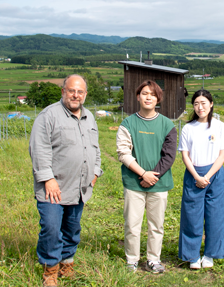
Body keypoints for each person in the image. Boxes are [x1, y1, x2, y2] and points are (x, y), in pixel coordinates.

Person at [29, 74, 102, 287]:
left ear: (85, 95)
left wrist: (95, 173)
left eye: (80, 92)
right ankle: (50, 270)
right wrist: (48, 179)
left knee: (72, 228)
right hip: (53, 188)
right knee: (51, 228)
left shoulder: (89, 117)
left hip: (80, 187)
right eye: (71, 91)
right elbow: (39, 149)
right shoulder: (48, 116)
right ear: (63, 91)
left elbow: (95, 148)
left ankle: (67, 262)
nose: (75, 95)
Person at [116, 80, 177, 274]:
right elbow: (123, 153)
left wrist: (153, 177)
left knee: (156, 225)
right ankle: (131, 260)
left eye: (152, 94)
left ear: (158, 98)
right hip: (134, 183)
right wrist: (143, 174)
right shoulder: (128, 123)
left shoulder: (167, 124)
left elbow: (169, 155)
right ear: (137, 97)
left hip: (158, 185)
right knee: (132, 225)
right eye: (144, 93)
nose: (148, 97)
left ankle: (153, 259)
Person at [178, 89, 224, 269]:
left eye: (203, 103)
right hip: (193, 175)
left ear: (211, 104)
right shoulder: (188, 128)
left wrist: (207, 177)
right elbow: (185, 155)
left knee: (215, 216)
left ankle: (210, 254)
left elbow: (223, 155)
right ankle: (192, 255)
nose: (200, 107)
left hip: (215, 175)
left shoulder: (221, 127)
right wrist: (196, 176)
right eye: (196, 104)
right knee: (191, 216)